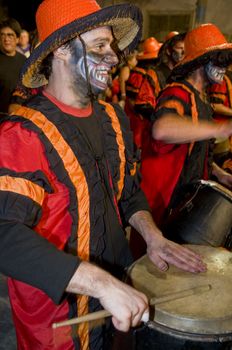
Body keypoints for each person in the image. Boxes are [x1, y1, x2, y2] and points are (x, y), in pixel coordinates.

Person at [0, 0, 206, 349]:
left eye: (111, 46)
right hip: (60, 318)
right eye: (100, 46)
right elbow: (5, 235)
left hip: (117, 293)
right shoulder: (22, 135)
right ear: (62, 50)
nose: (114, 57)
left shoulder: (113, 118)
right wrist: (99, 282)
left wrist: (153, 236)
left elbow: (128, 194)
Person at [138, 23, 232, 247]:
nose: (224, 68)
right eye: (218, 60)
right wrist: (221, 128)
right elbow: (161, 129)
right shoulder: (177, 91)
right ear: (200, 62)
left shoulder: (202, 97)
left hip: (186, 199)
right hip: (164, 202)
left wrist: (219, 174)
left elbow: (197, 148)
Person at [0, 18, 26, 112]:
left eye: (10, 35)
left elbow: (25, 88)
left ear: (17, 39)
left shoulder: (24, 61)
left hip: (16, 119)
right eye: (2, 35)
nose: (6, 39)